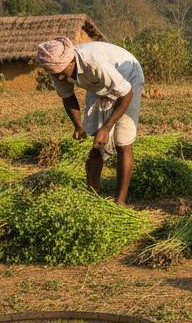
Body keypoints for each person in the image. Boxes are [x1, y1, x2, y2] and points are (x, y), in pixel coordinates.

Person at [37, 37, 144, 205]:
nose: (60, 77)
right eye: (55, 75)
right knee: (96, 143)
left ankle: (120, 202)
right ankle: (92, 196)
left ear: (72, 60)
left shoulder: (94, 63)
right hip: (98, 84)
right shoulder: (57, 71)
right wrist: (78, 126)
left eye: (61, 73)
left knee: (122, 143)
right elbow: (67, 96)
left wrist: (107, 128)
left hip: (128, 77)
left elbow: (126, 94)